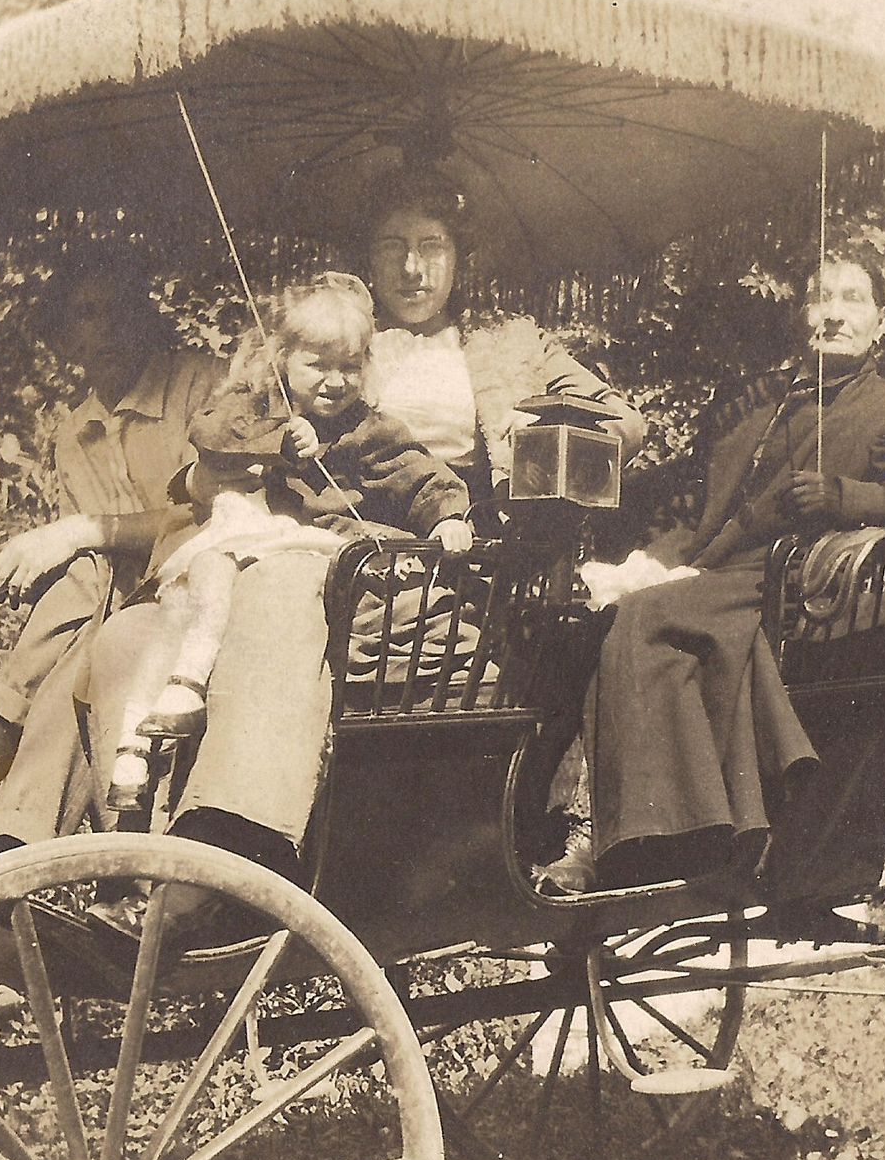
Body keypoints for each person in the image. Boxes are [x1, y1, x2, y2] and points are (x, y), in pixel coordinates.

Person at [157, 167, 645, 879]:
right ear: (367, 255)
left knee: (283, 596)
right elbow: (217, 443)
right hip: (308, 529)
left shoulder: (511, 346)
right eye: (392, 246)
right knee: (146, 633)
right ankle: (147, 852)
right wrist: (223, 472)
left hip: (450, 552)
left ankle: (231, 850)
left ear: (461, 254)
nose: (413, 268)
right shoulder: (334, 336)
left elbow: (625, 425)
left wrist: (541, 430)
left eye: (432, 246)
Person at [575, 251, 885, 891]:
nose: (834, 314)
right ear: (802, 314)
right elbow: (697, 502)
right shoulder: (756, 403)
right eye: (822, 297)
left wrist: (846, 497)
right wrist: (652, 558)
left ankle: (668, 840)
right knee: (593, 615)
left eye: (852, 299)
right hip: (715, 570)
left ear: (882, 322)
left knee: (646, 618)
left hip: (796, 586)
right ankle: (664, 833)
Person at [92, 271, 473, 807]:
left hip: (314, 553)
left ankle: (193, 699)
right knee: (174, 606)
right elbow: (209, 434)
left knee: (227, 578)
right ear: (282, 358)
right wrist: (278, 439)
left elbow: (421, 476)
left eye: (349, 367)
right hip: (251, 545)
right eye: (318, 365)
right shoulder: (255, 407)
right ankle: (137, 751)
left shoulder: (368, 429)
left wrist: (447, 518)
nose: (335, 382)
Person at [0, 242, 225, 863]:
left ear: (145, 315)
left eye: (120, 309)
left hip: (208, 589)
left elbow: (212, 515)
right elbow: (98, 557)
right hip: (120, 609)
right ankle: (12, 843)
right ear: (64, 337)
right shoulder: (75, 432)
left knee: (80, 581)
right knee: (77, 625)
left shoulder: (199, 386)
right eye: (86, 314)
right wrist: (63, 549)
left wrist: (83, 531)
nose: (106, 329)